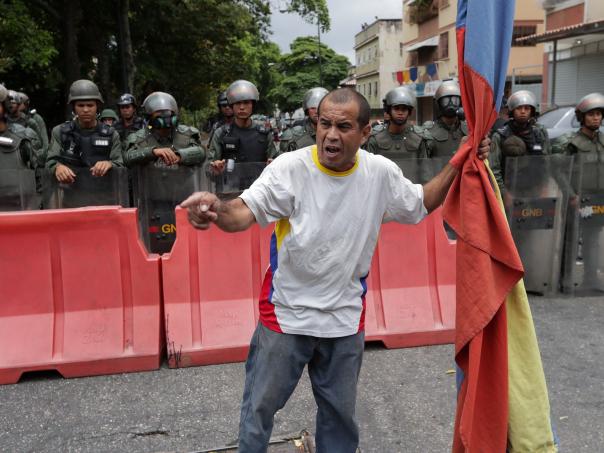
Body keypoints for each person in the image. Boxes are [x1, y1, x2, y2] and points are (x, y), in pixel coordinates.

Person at [180, 88, 490, 452]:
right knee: (259, 409)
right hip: (286, 315)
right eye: (324, 124)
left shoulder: (379, 174)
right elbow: (242, 213)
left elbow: (422, 202)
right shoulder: (290, 168)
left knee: (339, 418)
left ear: (365, 132)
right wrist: (216, 209)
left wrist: (461, 157)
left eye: (343, 127)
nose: (330, 135)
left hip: (344, 320)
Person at [552, 92, 604, 291]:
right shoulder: (570, 142)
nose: (596, 118)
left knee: (592, 239)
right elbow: (557, 169)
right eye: (591, 114)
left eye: (598, 114)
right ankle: (565, 281)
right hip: (577, 199)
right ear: (582, 117)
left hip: (597, 199)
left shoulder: (602, 141)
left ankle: (591, 279)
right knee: (570, 241)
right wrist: (571, 194)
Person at [46, 79, 123, 184]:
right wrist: (57, 167)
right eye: (81, 105)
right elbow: (50, 162)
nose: (86, 110)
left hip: (103, 190)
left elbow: (119, 164)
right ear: (74, 108)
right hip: (70, 189)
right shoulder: (60, 132)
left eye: (90, 105)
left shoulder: (111, 134)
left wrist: (109, 164)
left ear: (97, 107)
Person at [208, 80, 279, 174]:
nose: (242, 107)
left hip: (260, 183)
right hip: (230, 183)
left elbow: (277, 163)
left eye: (246, 103)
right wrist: (215, 168)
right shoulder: (221, 133)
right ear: (232, 106)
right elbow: (209, 170)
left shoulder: (265, 133)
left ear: (253, 105)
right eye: (238, 103)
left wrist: (274, 164)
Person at [488, 90, 551, 194]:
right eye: (519, 108)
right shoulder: (500, 136)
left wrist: (544, 186)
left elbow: (546, 162)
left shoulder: (538, 134)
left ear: (532, 111)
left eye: (527, 108)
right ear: (512, 110)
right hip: (510, 190)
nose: (523, 111)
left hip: (534, 189)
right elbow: (494, 169)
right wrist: (503, 193)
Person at [124, 91, 205, 168]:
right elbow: (127, 158)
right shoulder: (138, 137)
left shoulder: (187, 133)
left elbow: (201, 152)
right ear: (149, 117)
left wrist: (179, 155)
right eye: (159, 114)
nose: (165, 118)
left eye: (168, 113)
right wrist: (153, 152)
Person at [364, 86, 431, 158]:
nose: (400, 113)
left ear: (409, 112)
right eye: (396, 108)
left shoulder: (419, 138)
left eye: (404, 109)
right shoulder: (375, 137)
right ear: (389, 110)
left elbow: (425, 164)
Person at [423, 80, 467, 158]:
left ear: (460, 103)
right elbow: (423, 161)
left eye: (454, 101)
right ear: (438, 104)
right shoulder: (428, 132)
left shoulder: (468, 129)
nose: (450, 104)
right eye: (446, 101)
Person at [279, 87, 328, 152]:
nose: (316, 111)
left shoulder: (336, 135)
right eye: (313, 108)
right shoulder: (293, 136)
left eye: (320, 107)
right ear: (307, 110)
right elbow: (283, 157)